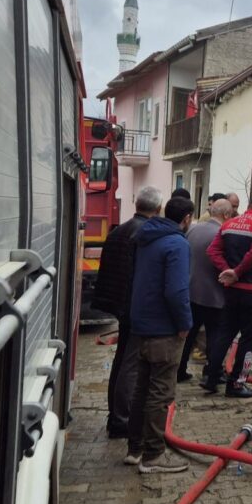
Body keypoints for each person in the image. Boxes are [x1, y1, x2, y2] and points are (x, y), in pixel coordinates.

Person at [126, 196, 195, 473]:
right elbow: (176, 290)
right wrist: (185, 322)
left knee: (142, 389)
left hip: (142, 322)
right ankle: (153, 456)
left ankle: (135, 449)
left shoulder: (147, 238)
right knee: (160, 392)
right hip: (164, 327)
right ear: (187, 218)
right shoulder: (177, 244)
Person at [91, 185, 162, 439]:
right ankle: (121, 419)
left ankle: (115, 415)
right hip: (134, 306)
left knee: (122, 360)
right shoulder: (145, 233)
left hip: (119, 303)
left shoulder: (119, 230)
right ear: (158, 208)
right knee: (131, 363)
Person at [203, 193, 252, 398]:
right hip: (251, 290)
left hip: (231, 290)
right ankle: (237, 383)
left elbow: (212, 251)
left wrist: (227, 271)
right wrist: (237, 271)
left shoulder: (230, 223)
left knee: (224, 333)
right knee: (250, 338)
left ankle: (210, 377)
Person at [178, 198, 232, 382]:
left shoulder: (193, 229)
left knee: (189, 334)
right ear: (226, 214)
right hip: (214, 294)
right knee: (215, 335)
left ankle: (180, 370)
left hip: (191, 291)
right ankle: (212, 372)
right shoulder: (222, 234)